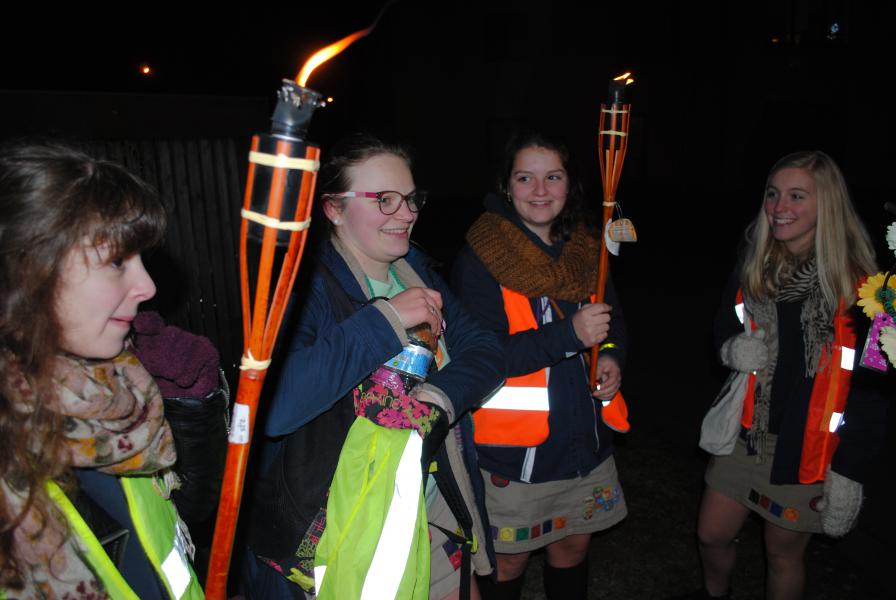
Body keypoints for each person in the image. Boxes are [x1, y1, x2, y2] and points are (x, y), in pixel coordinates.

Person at [243, 134, 503, 600]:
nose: (406, 214)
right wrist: (386, 320)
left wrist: (438, 399)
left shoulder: (415, 268)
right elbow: (279, 407)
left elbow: (487, 351)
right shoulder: (306, 289)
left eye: (410, 199)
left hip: (428, 506)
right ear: (334, 208)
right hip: (337, 528)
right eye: (385, 200)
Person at [0, 142, 204, 599]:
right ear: (29, 270)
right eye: (116, 262)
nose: (148, 286)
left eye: (140, 261)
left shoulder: (120, 392)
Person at [683, 151, 889, 600]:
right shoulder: (755, 266)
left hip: (809, 450)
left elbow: (878, 393)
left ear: (827, 205)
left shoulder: (872, 290)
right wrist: (732, 347)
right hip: (746, 433)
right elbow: (724, 325)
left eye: (797, 196)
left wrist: (849, 471)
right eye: (773, 194)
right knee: (711, 534)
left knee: (782, 553)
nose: (779, 207)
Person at [451, 130, 629, 600]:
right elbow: (480, 355)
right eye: (525, 178)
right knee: (507, 561)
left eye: (553, 176)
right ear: (507, 186)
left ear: (570, 184)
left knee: (572, 549)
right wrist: (568, 336)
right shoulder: (482, 257)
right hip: (516, 454)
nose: (540, 190)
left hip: (584, 441)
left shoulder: (588, 248)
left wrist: (610, 359)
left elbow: (614, 325)